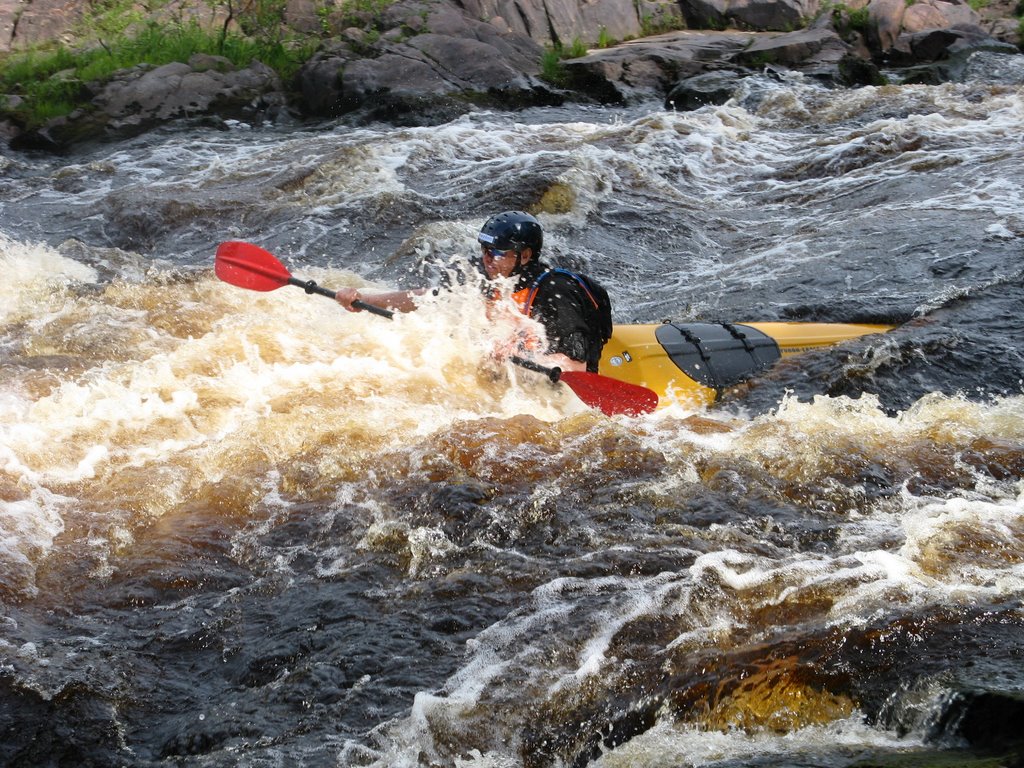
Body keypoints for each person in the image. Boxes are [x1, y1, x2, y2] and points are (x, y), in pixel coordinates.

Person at [334, 211, 612, 373]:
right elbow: (428, 298)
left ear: (525, 255)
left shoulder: (556, 291)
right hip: (511, 373)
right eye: (484, 250)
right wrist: (363, 299)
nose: (487, 259)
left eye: (498, 253)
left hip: (548, 377)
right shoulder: (485, 275)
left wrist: (519, 354)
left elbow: (574, 365)